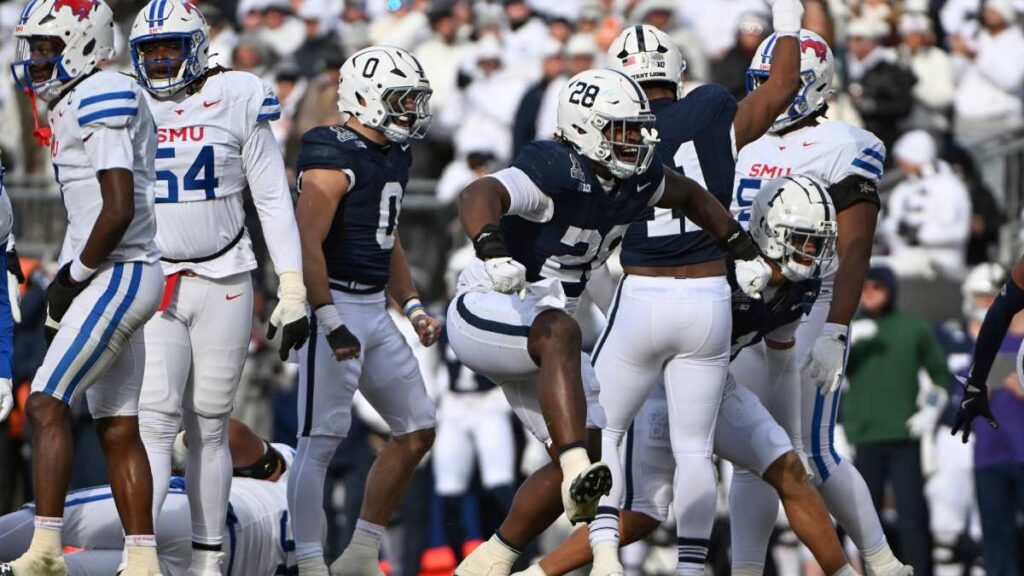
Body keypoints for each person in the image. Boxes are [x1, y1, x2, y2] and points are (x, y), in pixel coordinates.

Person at [446, 67, 772, 576]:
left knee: (589, 446)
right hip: (491, 306)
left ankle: (493, 558)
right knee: (564, 339)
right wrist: (491, 248)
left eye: (640, 128)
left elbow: (690, 196)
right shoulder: (555, 165)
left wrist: (741, 248)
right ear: (583, 129)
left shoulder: (636, 179)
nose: (639, 140)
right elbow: (478, 193)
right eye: (623, 129)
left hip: (543, 332)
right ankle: (578, 476)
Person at [515, 176, 857, 576]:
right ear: (770, 231)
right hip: (656, 380)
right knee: (645, 512)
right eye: (804, 239)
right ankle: (537, 573)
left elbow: (781, 360)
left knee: (788, 468)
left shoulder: (800, 287)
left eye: (819, 242)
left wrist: (796, 439)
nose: (812, 253)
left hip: (712, 382)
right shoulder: (715, 263)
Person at [587, 4, 803, 571]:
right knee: (694, 449)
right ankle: (690, 565)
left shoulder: (610, 123)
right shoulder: (709, 108)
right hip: (708, 297)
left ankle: (606, 553)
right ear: (675, 69)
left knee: (603, 429)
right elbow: (783, 86)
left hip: (640, 294)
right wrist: (789, 19)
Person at [126, 3, 309, 573]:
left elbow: (272, 197)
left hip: (225, 273)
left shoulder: (238, 94)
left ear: (198, 46)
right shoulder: (124, 99)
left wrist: (292, 283)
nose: (159, 60)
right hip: (155, 275)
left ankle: (209, 560)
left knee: (208, 422)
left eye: (170, 48)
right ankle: (142, 556)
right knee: (153, 420)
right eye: (150, 50)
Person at [731, 30, 913, 576]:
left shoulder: (846, 143)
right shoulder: (745, 138)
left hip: (811, 301)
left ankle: (882, 563)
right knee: (752, 454)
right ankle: (743, 569)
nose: (764, 93)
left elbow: (856, 246)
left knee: (812, 449)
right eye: (759, 83)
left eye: (774, 83)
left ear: (808, 87)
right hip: (749, 300)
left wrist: (836, 329)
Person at [2, 1, 166, 574]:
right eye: (35, 47)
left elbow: (116, 208)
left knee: (46, 402)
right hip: (114, 272)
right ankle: (142, 559)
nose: (37, 58)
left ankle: (46, 551)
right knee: (118, 425)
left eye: (48, 46)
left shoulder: (103, 94)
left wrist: (71, 278)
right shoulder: (76, 100)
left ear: (81, 42)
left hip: (117, 271)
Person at [288, 45, 442, 576]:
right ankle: (310, 562)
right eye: (402, 100)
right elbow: (305, 244)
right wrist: (326, 317)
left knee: (418, 428)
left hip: (375, 306)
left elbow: (387, 238)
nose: (411, 111)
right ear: (366, 98)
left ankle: (359, 551)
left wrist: (414, 304)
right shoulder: (329, 152)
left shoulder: (393, 153)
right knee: (321, 441)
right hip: (333, 302)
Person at [0, 419, 297, 576]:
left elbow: (225, 433)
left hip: (196, 517)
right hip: (207, 568)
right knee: (65, 569)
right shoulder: (312, 551)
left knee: (47, 527)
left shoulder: (294, 475)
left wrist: (173, 451)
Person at [845, 264, 954, 576]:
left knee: (913, 517)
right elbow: (827, 375)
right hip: (864, 437)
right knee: (867, 522)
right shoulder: (848, 327)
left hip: (905, 435)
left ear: (890, 289)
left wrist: (930, 410)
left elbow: (941, 376)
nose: (869, 293)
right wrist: (846, 342)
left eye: (877, 287)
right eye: (865, 287)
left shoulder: (914, 328)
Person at [880, 130, 972, 280]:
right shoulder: (901, 190)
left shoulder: (950, 186)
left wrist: (922, 234)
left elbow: (960, 231)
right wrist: (897, 230)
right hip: (905, 258)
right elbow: (891, 224)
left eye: (903, 159)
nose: (899, 164)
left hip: (942, 263)